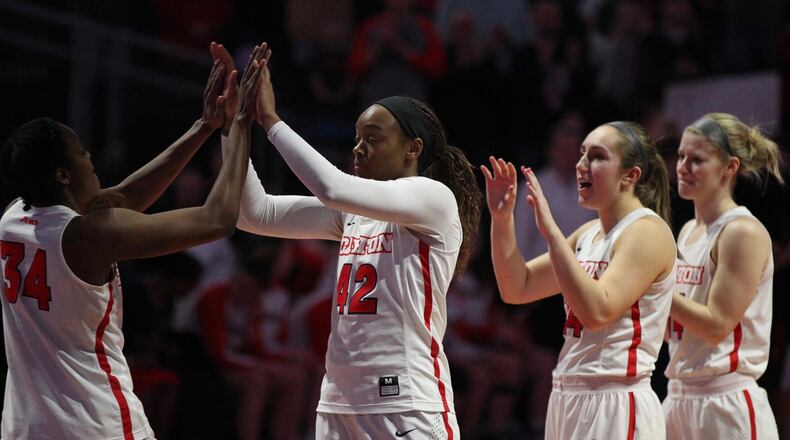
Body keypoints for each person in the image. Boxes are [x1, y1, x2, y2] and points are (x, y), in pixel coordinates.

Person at [211, 44, 481, 439]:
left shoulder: (433, 198)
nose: (358, 148)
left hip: (406, 401)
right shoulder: (354, 211)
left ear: (413, 148)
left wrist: (270, 121)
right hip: (340, 402)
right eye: (357, 137)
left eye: (372, 138)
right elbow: (254, 214)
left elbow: (332, 188)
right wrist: (234, 126)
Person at [0, 41, 264, 439]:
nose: (91, 159)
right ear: (63, 176)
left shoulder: (14, 216)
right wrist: (240, 123)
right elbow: (217, 219)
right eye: (82, 153)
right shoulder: (88, 235)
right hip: (93, 422)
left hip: (25, 425)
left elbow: (121, 199)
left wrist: (204, 127)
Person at [482, 121, 675, 439]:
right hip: (568, 395)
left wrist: (551, 232)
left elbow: (598, 311)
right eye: (582, 154)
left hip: (615, 400)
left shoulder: (646, 231)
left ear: (631, 175)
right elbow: (517, 287)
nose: (581, 164)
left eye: (597, 156)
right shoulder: (589, 234)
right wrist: (502, 219)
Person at [663, 113, 782, 439]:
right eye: (682, 156)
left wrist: (652, 291)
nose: (683, 167)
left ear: (729, 168)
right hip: (678, 396)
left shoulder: (740, 231)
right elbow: (675, 327)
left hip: (725, 402)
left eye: (697, 159)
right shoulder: (687, 231)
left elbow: (716, 325)